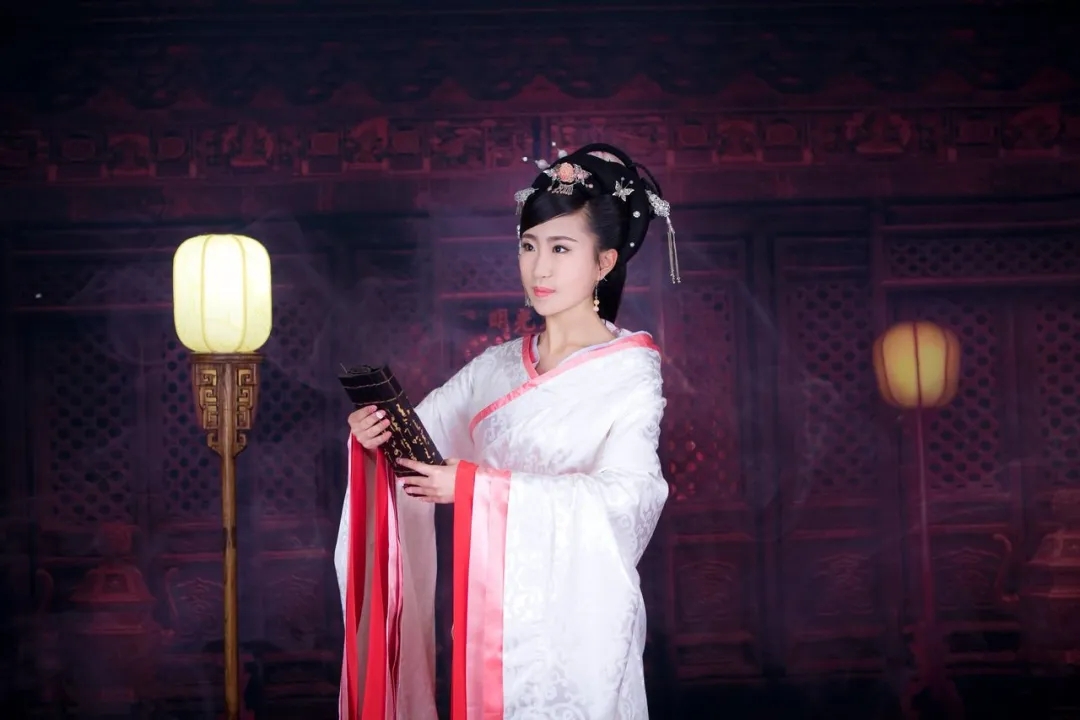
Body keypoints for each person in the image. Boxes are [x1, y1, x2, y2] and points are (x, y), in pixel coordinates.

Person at [334, 142, 680, 720]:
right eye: (528, 245)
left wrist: (477, 489)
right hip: (489, 621)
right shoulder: (493, 368)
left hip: (580, 633)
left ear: (604, 262)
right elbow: (416, 447)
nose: (539, 268)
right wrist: (373, 435)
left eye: (561, 248)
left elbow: (629, 499)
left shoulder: (629, 375)